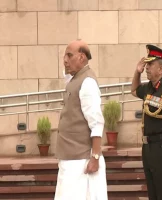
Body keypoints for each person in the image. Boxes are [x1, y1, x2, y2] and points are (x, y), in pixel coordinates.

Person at [54, 39, 108, 200]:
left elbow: (97, 123)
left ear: (82, 57)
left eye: (69, 55)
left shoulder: (87, 82)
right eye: (64, 56)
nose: (65, 60)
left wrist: (95, 158)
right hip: (72, 159)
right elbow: (67, 78)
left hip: (81, 162)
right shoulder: (76, 79)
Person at [131, 44, 162, 200]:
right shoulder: (149, 88)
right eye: (146, 64)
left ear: (160, 69)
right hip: (148, 148)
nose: (146, 67)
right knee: (152, 193)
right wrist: (137, 72)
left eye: (150, 64)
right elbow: (134, 90)